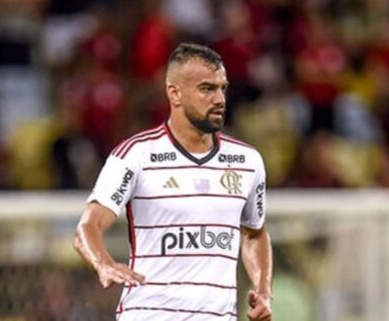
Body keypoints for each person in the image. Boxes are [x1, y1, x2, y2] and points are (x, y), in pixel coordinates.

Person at [73, 42, 273, 321]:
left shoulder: (247, 161)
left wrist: (263, 290)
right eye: (207, 89)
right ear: (175, 93)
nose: (220, 99)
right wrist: (103, 263)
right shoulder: (136, 155)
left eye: (222, 88)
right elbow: (87, 227)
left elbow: (254, 233)